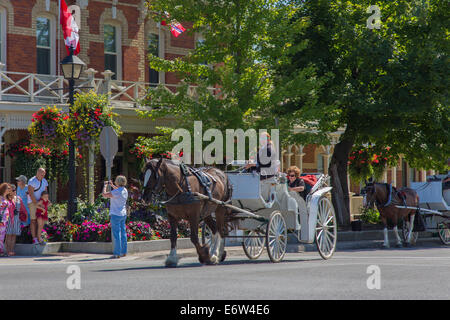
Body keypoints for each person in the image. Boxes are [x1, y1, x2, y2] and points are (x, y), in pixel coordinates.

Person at [102, 175, 129, 259]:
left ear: (118, 182)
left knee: (116, 235)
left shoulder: (116, 192)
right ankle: (124, 252)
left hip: (115, 214)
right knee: (123, 233)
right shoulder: (125, 190)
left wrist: (105, 185)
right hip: (123, 214)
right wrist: (112, 185)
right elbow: (118, 190)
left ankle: (117, 253)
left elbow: (104, 194)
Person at [28, 168, 48, 245]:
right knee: (33, 220)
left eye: (44, 174)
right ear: (37, 173)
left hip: (41, 203)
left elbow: (45, 192)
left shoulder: (44, 181)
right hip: (33, 203)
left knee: (40, 221)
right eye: (41, 174)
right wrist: (36, 203)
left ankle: (39, 237)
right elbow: (31, 193)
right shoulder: (32, 181)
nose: (42, 175)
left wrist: (45, 202)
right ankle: (34, 238)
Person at [5, 184, 27, 256]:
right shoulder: (6, 199)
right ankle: (7, 251)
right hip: (8, 219)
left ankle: (11, 250)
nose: (14, 191)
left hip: (16, 219)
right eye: (12, 190)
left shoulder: (18, 198)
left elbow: (22, 208)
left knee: (14, 235)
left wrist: (24, 215)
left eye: (15, 190)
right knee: (8, 235)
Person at [0, 183, 11, 256]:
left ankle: (1, 249)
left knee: (2, 236)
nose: (9, 190)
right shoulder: (0, 198)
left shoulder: (7, 198)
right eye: (8, 188)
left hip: (5, 220)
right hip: (1, 219)